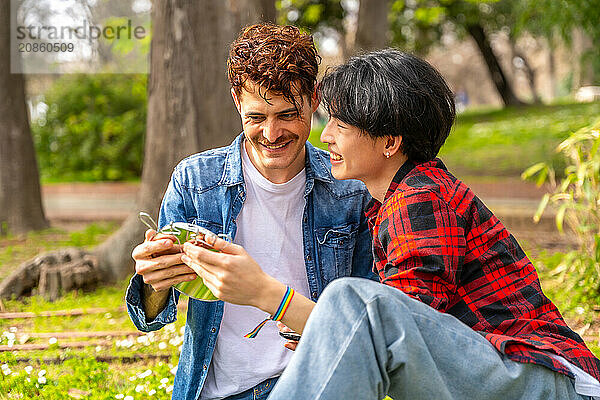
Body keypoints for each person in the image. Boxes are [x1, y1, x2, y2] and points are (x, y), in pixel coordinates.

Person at [184, 50, 600, 399]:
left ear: (389, 141)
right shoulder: (391, 203)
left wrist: (262, 292)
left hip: (542, 381)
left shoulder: (419, 198)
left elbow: (393, 330)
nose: (325, 136)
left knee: (353, 301)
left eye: (340, 125)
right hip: (505, 374)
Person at [125, 24, 374, 400]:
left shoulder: (351, 190)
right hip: (218, 391)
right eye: (256, 117)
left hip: (315, 384)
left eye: (288, 115)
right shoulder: (194, 181)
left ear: (314, 99)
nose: (272, 134)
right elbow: (152, 317)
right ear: (237, 102)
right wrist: (154, 282)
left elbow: (366, 318)